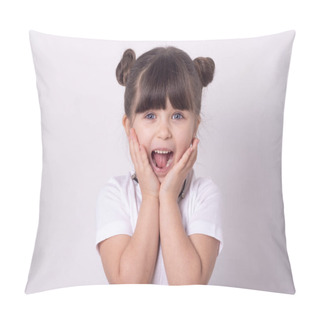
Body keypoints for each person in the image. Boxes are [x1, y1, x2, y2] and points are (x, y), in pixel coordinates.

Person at [95, 46, 223, 285]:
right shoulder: (114, 195)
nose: (163, 132)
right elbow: (128, 289)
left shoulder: (204, 195)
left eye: (177, 116)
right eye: (150, 116)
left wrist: (168, 197)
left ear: (195, 126)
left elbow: (188, 289)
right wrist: (150, 196)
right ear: (128, 126)